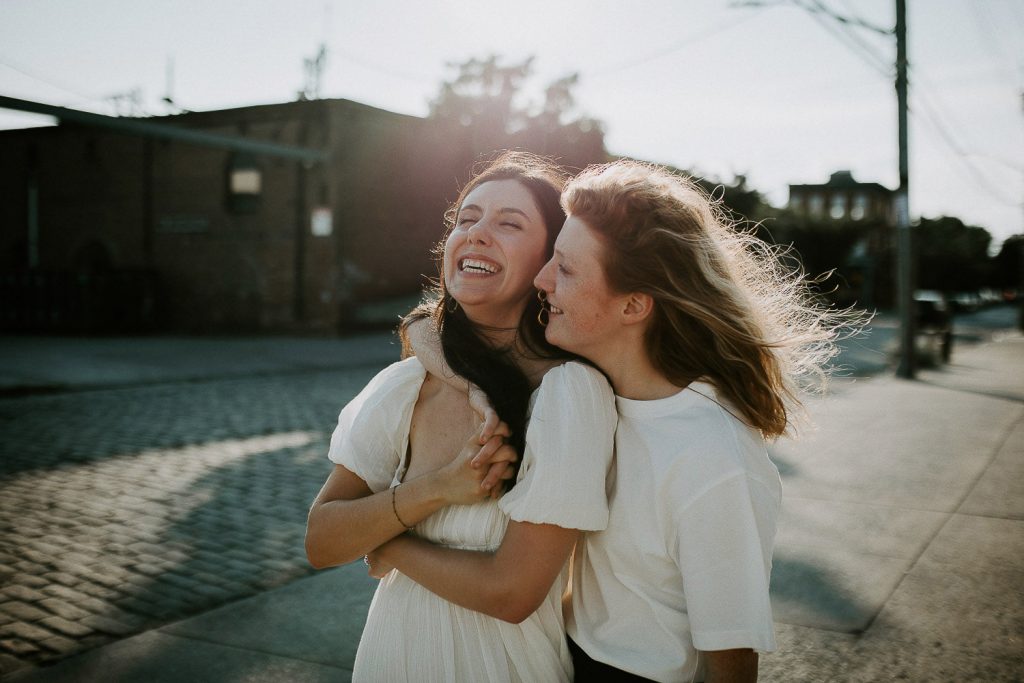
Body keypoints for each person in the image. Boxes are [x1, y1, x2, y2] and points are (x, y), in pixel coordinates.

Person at [382, 159, 852, 682]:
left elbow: (733, 662)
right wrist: (475, 388)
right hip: (566, 660)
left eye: (565, 268)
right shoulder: (594, 385)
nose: (541, 281)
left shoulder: (713, 454)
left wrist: (386, 542)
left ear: (632, 306)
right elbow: (432, 324)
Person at [305, 151, 617, 683]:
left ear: (549, 260)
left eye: (508, 223)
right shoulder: (406, 384)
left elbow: (512, 593)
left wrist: (388, 542)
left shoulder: (567, 393)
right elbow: (322, 540)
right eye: (465, 219)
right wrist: (439, 489)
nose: (475, 233)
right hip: (389, 660)